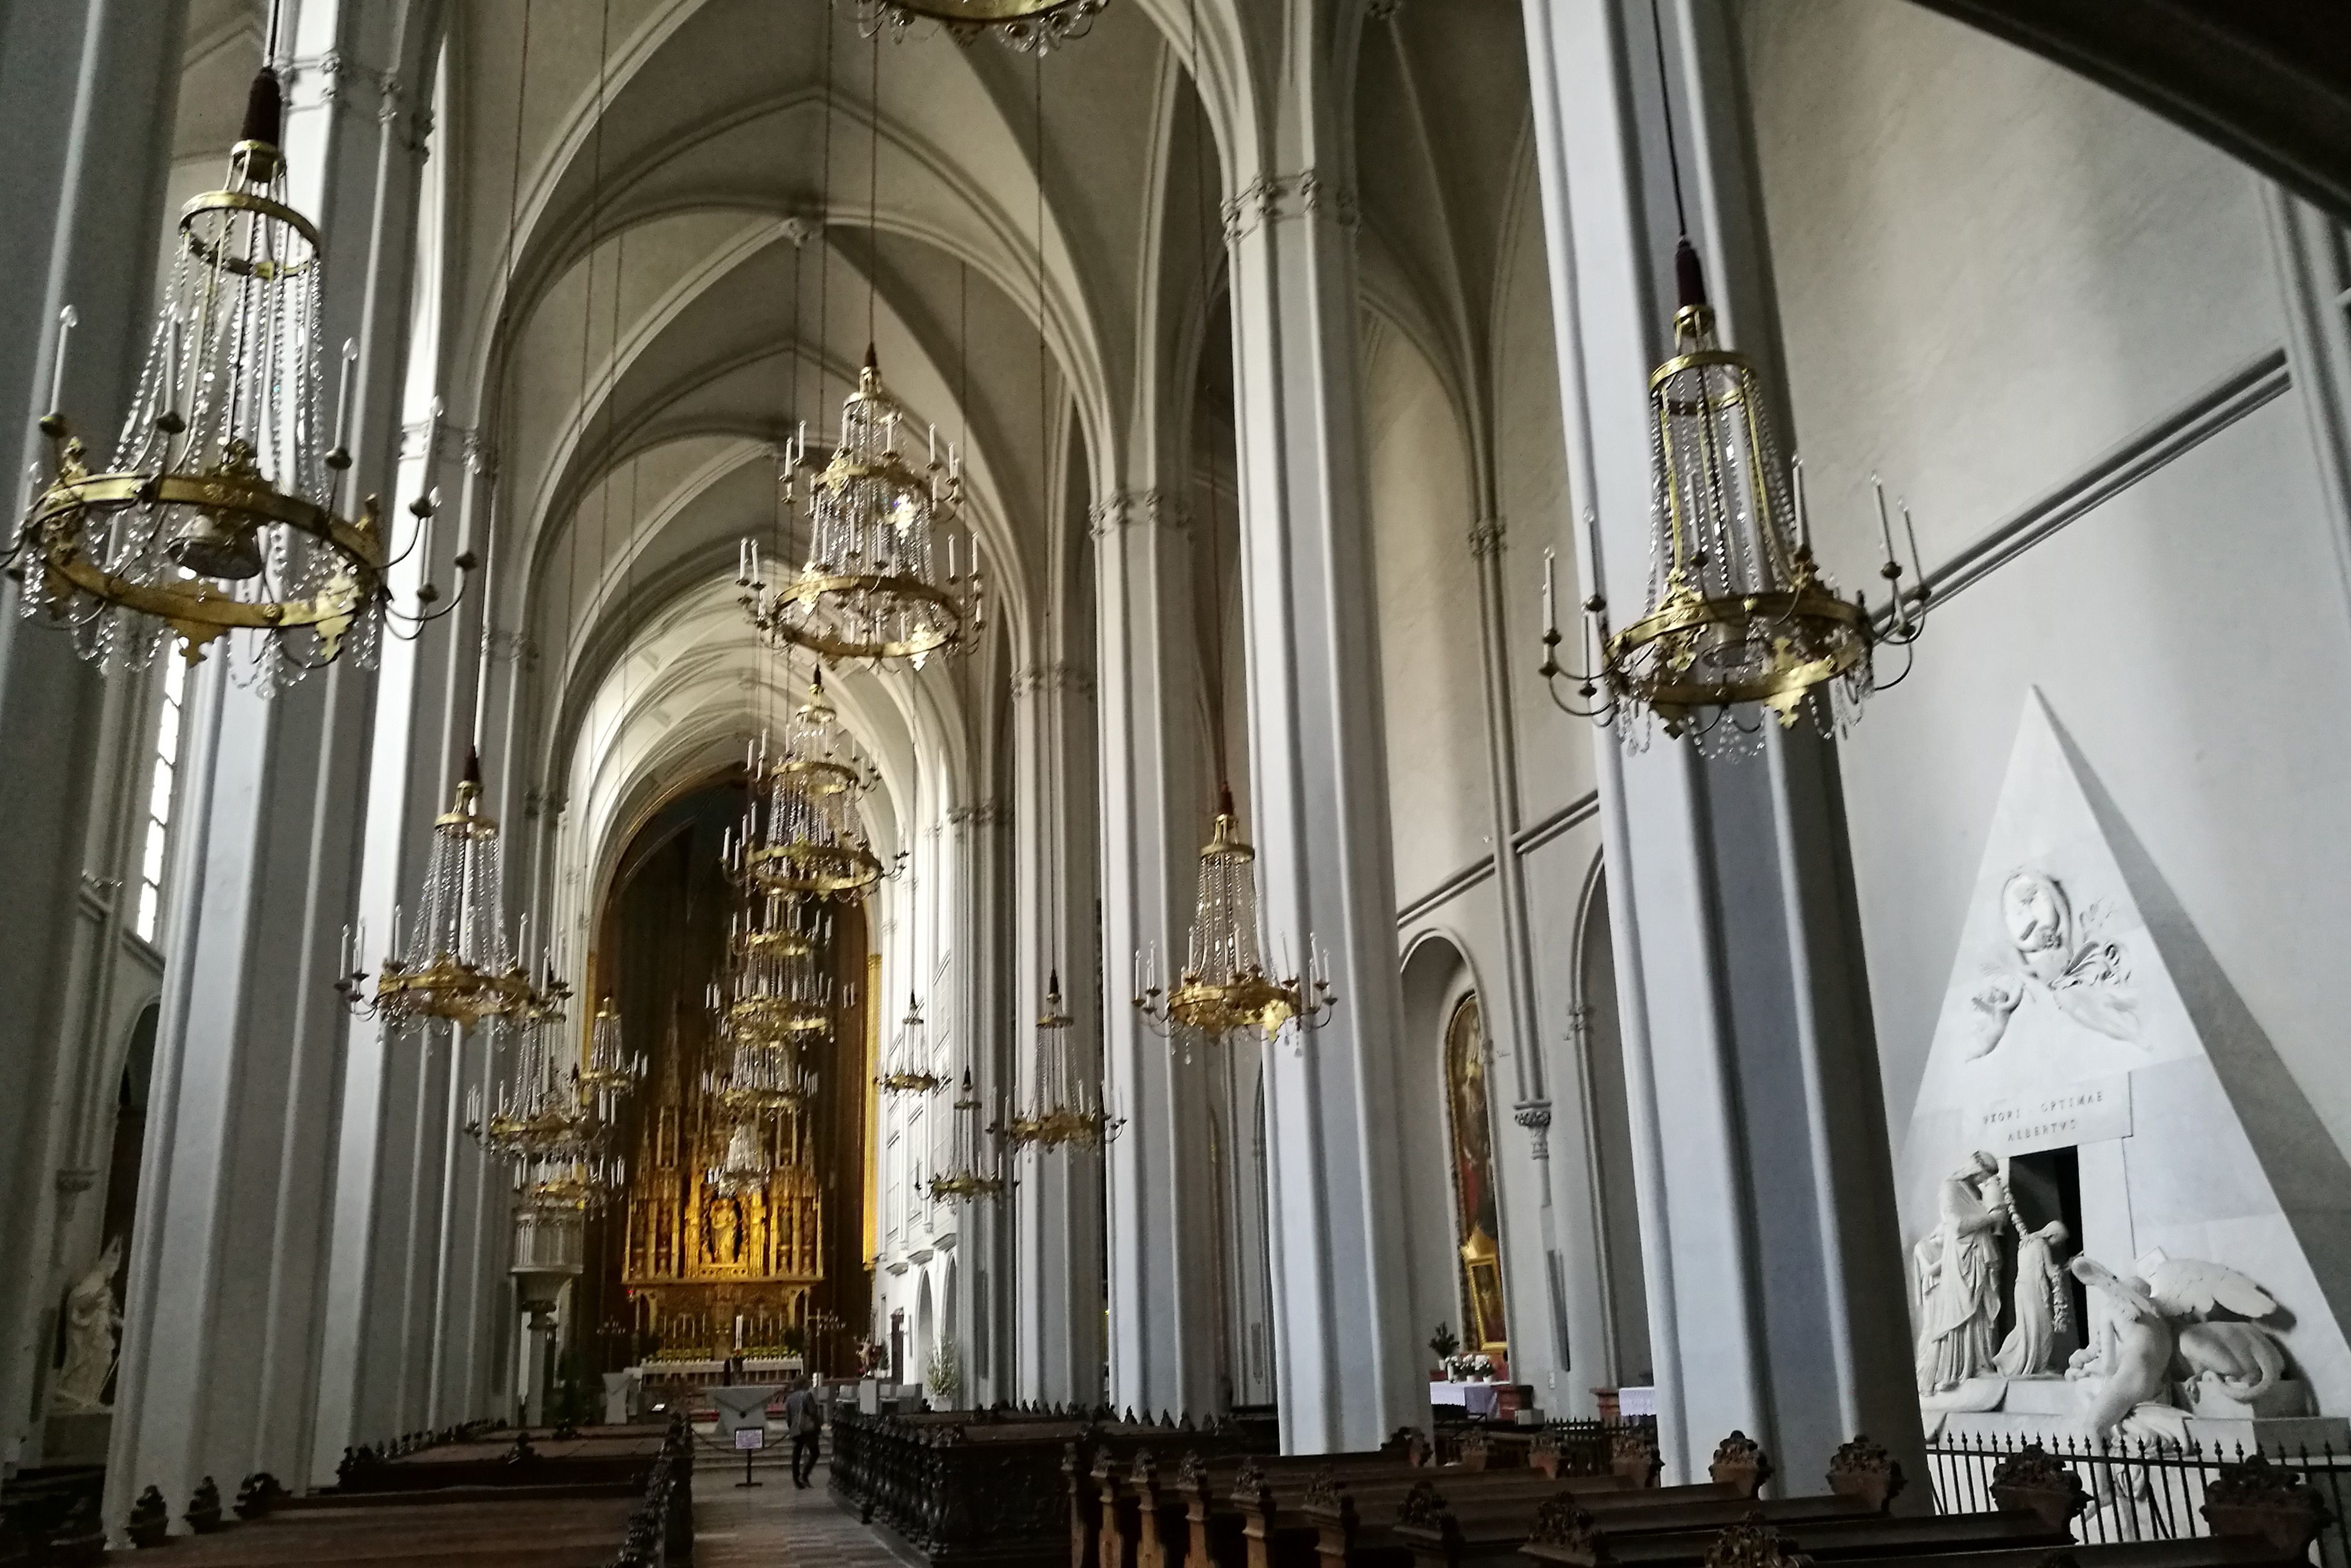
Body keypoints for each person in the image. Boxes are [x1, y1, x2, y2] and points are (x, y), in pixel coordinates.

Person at [783, 1375, 822, 1488]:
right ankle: (805, 1475)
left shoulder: (790, 1398)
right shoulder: (807, 1395)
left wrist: (791, 1427)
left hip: (796, 1429)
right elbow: (813, 1412)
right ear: (804, 1384)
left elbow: (788, 1417)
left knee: (797, 1454)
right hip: (808, 1429)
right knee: (815, 1452)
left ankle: (796, 1479)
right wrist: (817, 1426)